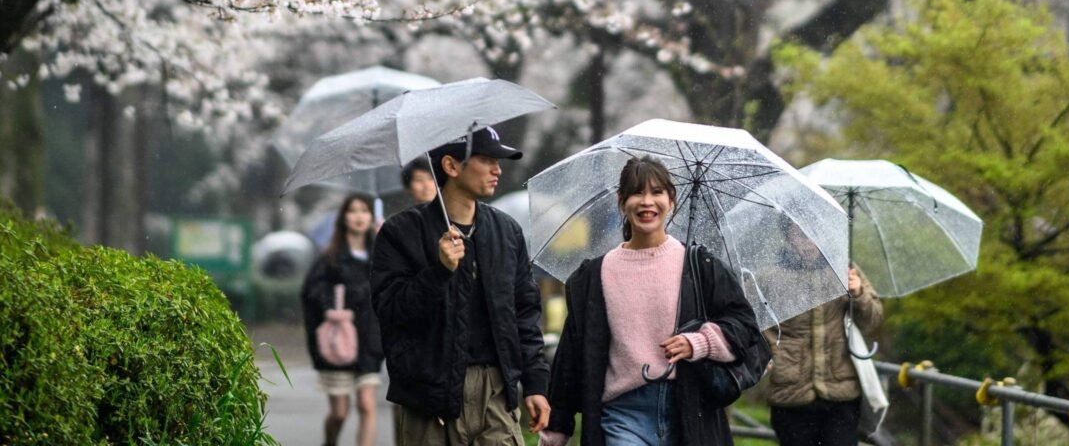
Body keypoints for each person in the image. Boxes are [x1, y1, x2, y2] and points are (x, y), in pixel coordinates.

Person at [539, 156, 762, 446]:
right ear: (622, 202)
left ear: (671, 200)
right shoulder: (594, 275)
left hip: (690, 411)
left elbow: (744, 326)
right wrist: (556, 430)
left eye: (657, 192)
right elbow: (571, 354)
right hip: (622, 414)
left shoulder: (699, 265)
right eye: (636, 193)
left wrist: (698, 343)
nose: (647, 202)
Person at [371, 126, 550, 445]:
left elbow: (524, 313)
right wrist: (438, 272)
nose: (497, 170)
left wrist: (536, 383)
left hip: (496, 391)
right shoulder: (401, 232)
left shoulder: (506, 231)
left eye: (498, 161)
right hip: (430, 397)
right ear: (451, 166)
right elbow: (391, 311)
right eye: (487, 160)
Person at [301, 193, 386, 446]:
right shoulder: (330, 257)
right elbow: (311, 293)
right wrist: (333, 306)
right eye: (353, 210)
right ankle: (330, 441)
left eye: (365, 211)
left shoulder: (382, 255)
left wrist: (385, 240)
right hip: (338, 341)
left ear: (371, 217)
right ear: (344, 218)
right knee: (339, 412)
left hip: (370, 340)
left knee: (367, 404)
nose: (359, 216)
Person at [767, 263, 884, 446]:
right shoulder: (768, 272)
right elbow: (752, 322)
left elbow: (872, 321)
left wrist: (859, 294)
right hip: (790, 393)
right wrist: (772, 353)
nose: (808, 246)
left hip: (841, 393)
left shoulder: (845, 266)